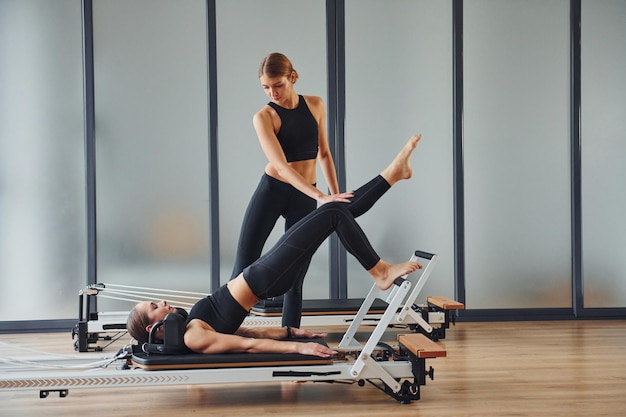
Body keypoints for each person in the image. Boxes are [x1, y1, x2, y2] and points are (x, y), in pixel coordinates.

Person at [127, 134, 423, 358]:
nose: (161, 302)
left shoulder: (192, 327)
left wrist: (290, 332)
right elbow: (248, 344)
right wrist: (298, 349)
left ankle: (393, 174)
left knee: (332, 213)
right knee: (331, 212)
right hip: (264, 277)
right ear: (154, 329)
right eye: (154, 307)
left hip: (262, 275)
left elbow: (239, 330)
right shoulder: (193, 337)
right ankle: (380, 270)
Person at [231, 52, 353, 329]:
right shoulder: (264, 117)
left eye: (278, 85)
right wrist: (321, 197)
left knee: (296, 274)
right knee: (243, 264)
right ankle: (225, 330)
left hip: (305, 197)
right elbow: (283, 168)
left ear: (292, 78)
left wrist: (335, 198)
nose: (272, 92)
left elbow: (324, 154)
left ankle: (292, 338)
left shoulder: (316, 105)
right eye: (266, 87)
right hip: (272, 191)